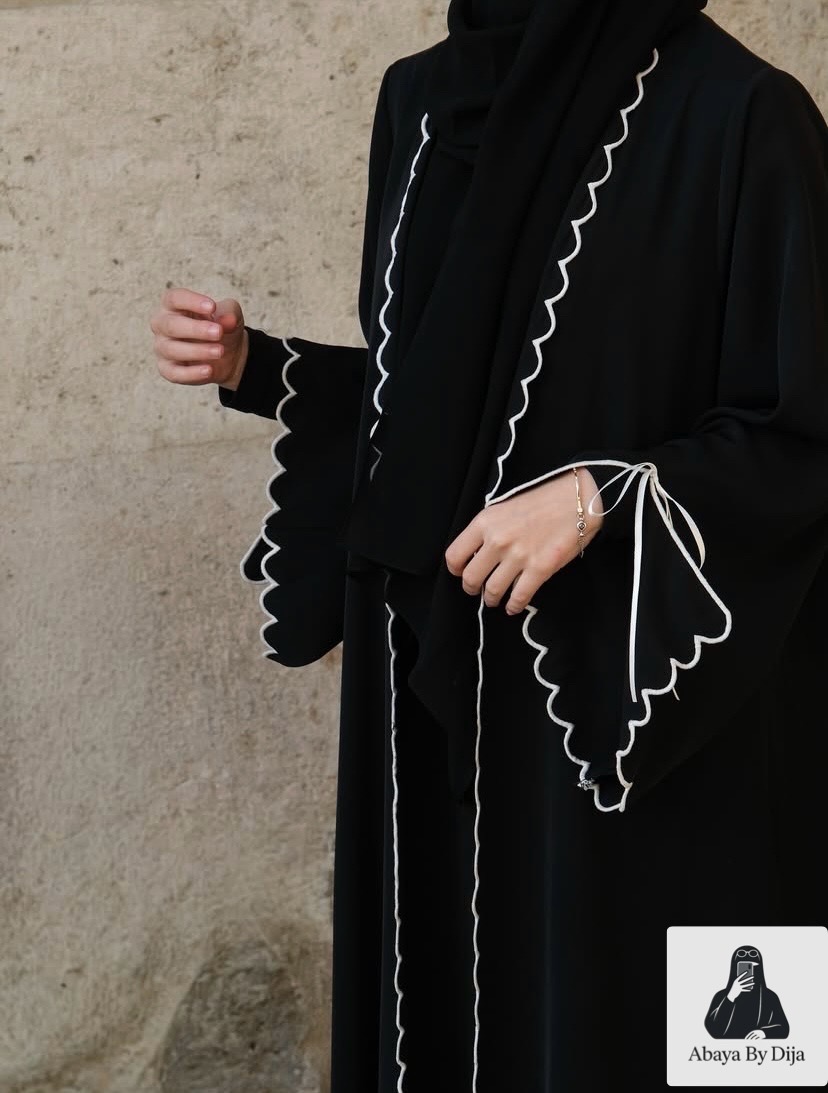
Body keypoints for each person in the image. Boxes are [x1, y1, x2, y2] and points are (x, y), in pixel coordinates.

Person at [150, 0, 828, 1088]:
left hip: (632, 713)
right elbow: (436, 399)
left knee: (649, 1029)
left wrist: (601, 498)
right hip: (439, 698)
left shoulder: (744, 113)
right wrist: (255, 366)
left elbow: (802, 434)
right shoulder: (421, 103)